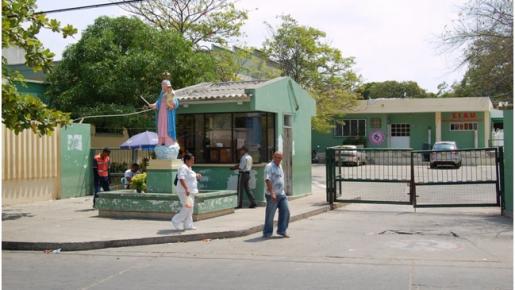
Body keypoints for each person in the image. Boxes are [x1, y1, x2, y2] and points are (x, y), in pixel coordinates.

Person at [263, 151, 290, 238]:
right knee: (270, 215)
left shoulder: (280, 166)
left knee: (286, 211)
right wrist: (272, 192)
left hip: (281, 194)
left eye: (280, 158)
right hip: (272, 194)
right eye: (277, 157)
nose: (278, 159)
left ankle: (282, 230)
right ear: (273, 157)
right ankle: (267, 233)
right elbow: (268, 179)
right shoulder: (269, 166)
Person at [171, 153, 202, 230]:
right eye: (192, 160)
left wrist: (196, 175)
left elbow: (189, 177)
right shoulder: (183, 167)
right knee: (187, 207)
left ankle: (188, 225)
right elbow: (181, 178)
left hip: (191, 192)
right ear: (187, 160)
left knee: (190, 208)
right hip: (184, 192)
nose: (193, 161)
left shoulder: (189, 168)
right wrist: (186, 188)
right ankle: (176, 220)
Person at [149, 79, 179, 146]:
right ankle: (161, 140)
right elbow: (158, 103)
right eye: (162, 85)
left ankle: (168, 140)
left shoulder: (171, 93)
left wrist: (172, 103)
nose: (162, 87)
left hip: (168, 114)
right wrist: (153, 105)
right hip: (161, 113)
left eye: (164, 85)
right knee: (161, 126)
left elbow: (176, 103)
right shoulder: (162, 93)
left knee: (167, 126)